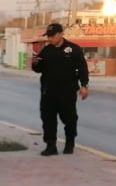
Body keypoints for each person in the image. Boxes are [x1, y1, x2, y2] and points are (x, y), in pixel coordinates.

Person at [31, 22, 89, 155]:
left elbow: (82, 69)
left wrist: (84, 85)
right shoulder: (46, 50)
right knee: (48, 119)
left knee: (69, 119)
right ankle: (51, 145)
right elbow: (39, 69)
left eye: (52, 36)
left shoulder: (73, 49)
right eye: (48, 36)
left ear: (60, 34)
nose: (49, 39)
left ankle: (70, 144)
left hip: (67, 92)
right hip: (48, 92)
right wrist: (35, 64)